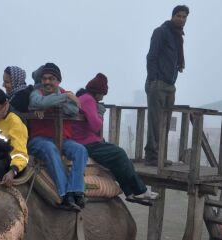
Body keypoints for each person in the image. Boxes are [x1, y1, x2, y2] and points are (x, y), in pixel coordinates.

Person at [71, 73, 158, 203]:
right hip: (86, 142)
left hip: (85, 140)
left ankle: (129, 192)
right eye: (103, 94)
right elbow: (95, 125)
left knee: (116, 157)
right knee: (119, 154)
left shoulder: (84, 98)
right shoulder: (88, 100)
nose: (102, 97)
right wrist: (100, 114)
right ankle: (140, 190)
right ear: (98, 92)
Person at [27, 62, 87, 211]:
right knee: (50, 148)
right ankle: (64, 195)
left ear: (58, 81)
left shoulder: (64, 92)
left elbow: (74, 109)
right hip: (39, 140)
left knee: (80, 150)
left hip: (63, 139)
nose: (47, 82)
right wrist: (65, 97)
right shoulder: (37, 92)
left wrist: (49, 104)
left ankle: (76, 191)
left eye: (51, 78)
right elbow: (37, 102)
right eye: (44, 78)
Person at [144, 5, 189, 166]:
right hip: (158, 83)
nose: (181, 19)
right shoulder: (161, 32)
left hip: (170, 84)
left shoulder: (177, 36)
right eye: (179, 16)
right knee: (156, 121)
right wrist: (153, 79)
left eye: (184, 17)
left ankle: (160, 156)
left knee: (165, 122)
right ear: (172, 16)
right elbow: (151, 56)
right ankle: (152, 156)